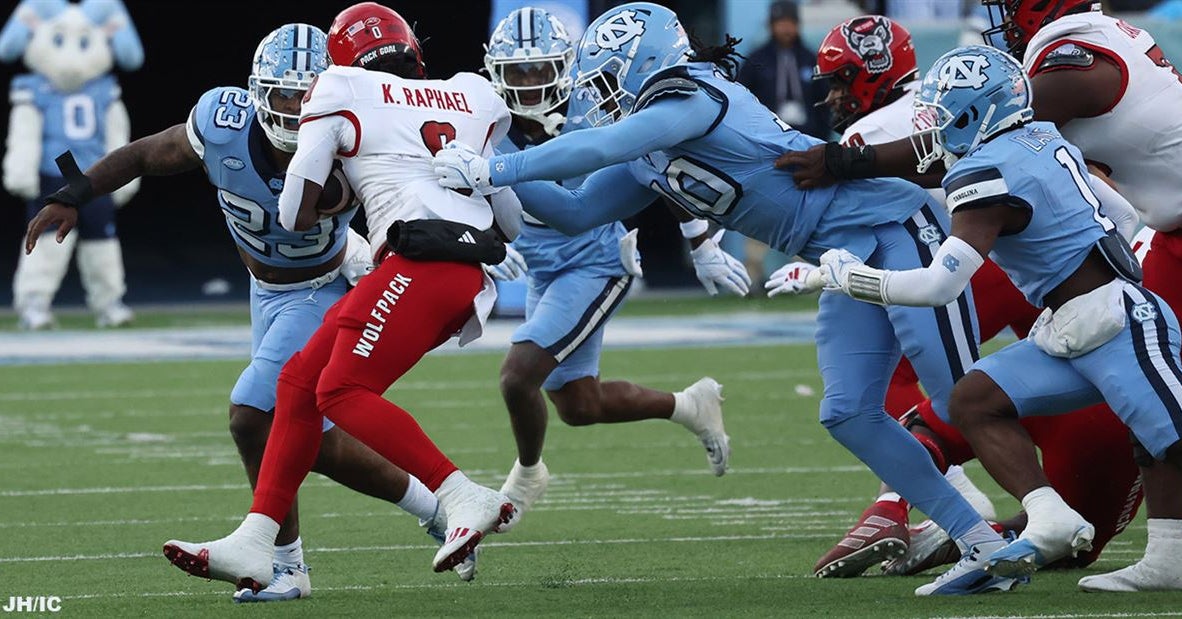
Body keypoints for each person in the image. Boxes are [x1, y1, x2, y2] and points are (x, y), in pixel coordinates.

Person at [434, 2, 1021, 596]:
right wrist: (482, 171)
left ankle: (1050, 514)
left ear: (648, 62)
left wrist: (494, 165)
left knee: (958, 398)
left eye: (611, 75)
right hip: (839, 256)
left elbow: (598, 148)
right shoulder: (646, 146)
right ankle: (980, 541)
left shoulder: (695, 94)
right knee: (848, 413)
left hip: (890, 227)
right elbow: (575, 210)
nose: (601, 93)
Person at [25, 22, 466, 600]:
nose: (297, 110)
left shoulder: (352, 139)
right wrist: (71, 194)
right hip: (265, 291)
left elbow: (350, 202)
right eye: (286, 95)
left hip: (322, 288)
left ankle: (282, 564)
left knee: (250, 415)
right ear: (259, 91)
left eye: (310, 97)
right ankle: (438, 507)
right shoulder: (221, 122)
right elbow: (142, 155)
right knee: (317, 444)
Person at [776, 0, 1182, 592]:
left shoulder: (988, 165)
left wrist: (845, 276)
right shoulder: (1042, 133)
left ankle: (1143, 544)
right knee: (974, 398)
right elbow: (1120, 213)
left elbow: (940, 285)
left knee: (1166, 427)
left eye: (942, 112)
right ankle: (1048, 517)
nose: (932, 123)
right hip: (1080, 315)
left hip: (1111, 316)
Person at [157, 2, 523, 592]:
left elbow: (293, 211)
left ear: (340, 64)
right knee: (300, 385)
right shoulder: (466, 93)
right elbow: (510, 219)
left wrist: (332, 188)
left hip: (418, 261)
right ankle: (257, 543)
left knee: (339, 388)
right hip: (451, 263)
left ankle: (459, 494)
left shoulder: (342, 89)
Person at [482, 6, 740, 526]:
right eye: (518, 74)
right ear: (495, 74)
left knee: (518, 376)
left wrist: (700, 239)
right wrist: (487, 241)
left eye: (540, 70)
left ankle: (526, 475)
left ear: (566, 68)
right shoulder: (486, 123)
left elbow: (653, 165)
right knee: (580, 406)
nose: (530, 86)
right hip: (544, 268)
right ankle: (689, 406)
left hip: (596, 262)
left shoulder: (594, 108)